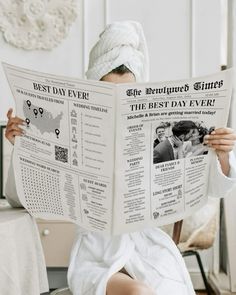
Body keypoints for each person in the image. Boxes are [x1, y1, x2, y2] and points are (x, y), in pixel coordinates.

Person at [4, 21, 236, 295]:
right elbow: (18, 200)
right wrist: (22, 147)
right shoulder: (70, 132)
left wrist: (222, 152)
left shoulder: (163, 138)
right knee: (139, 293)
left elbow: (218, 188)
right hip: (97, 255)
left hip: (150, 252)